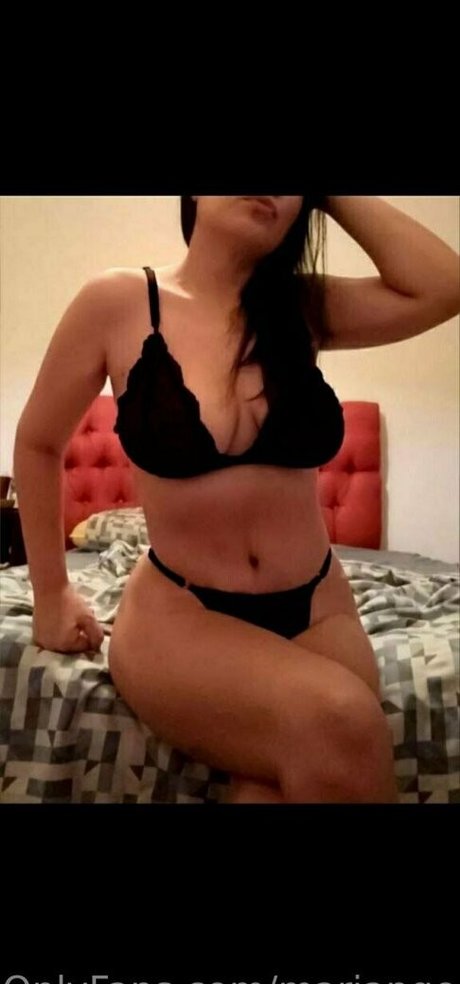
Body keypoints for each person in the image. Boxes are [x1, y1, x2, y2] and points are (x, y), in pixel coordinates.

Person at [13, 196, 459, 803]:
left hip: (318, 608)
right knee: (343, 720)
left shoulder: (301, 308)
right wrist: (51, 593)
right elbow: (39, 442)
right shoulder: (118, 302)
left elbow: (443, 285)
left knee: (277, 781)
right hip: (182, 616)